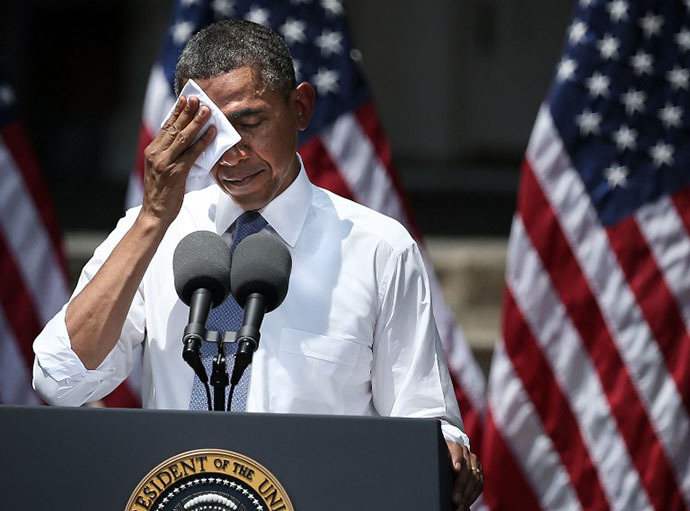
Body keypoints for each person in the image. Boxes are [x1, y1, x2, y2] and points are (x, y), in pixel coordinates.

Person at [32, 19, 482, 510]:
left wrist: (447, 450)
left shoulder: (378, 249)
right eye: (210, 133)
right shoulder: (152, 234)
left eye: (250, 123)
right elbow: (60, 380)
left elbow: (421, 423)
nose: (233, 153)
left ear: (301, 108)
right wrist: (153, 219)